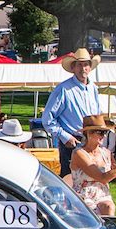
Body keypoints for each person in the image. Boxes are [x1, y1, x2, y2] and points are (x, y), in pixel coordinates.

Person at [41, 48, 102, 179]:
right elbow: (47, 119)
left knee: (91, 180)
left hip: (91, 141)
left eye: (86, 64)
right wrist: (64, 136)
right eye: (79, 64)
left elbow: (97, 114)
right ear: (73, 67)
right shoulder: (63, 89)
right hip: (72, 142)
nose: (83, 68)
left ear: (90, 67)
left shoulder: (93, 88)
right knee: (70, 182)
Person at [70, 115, 116, 216]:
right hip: (84, 196)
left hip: (103, 195)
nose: (104, 136)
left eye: (105, 132)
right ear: (88, 133)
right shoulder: (79, 153)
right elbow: (102, 178)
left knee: (109, 207)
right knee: (91, 212)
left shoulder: (106, 153)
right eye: (100, 132)